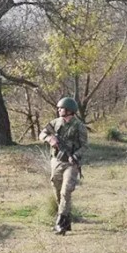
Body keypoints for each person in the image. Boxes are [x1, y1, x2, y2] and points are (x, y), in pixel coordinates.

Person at [39, 97, 88, 235]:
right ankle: (66, 220)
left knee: (66, 191)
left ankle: (60, 224)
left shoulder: (79, 126)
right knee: (56, 187)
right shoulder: (55, 123)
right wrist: (50, 139)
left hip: (71, 164)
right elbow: (42, 133)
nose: (59, 110)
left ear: (69, 111)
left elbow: (85, 146)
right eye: (59, 108)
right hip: (56, 161)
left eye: (61, 108)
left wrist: (75, 156)